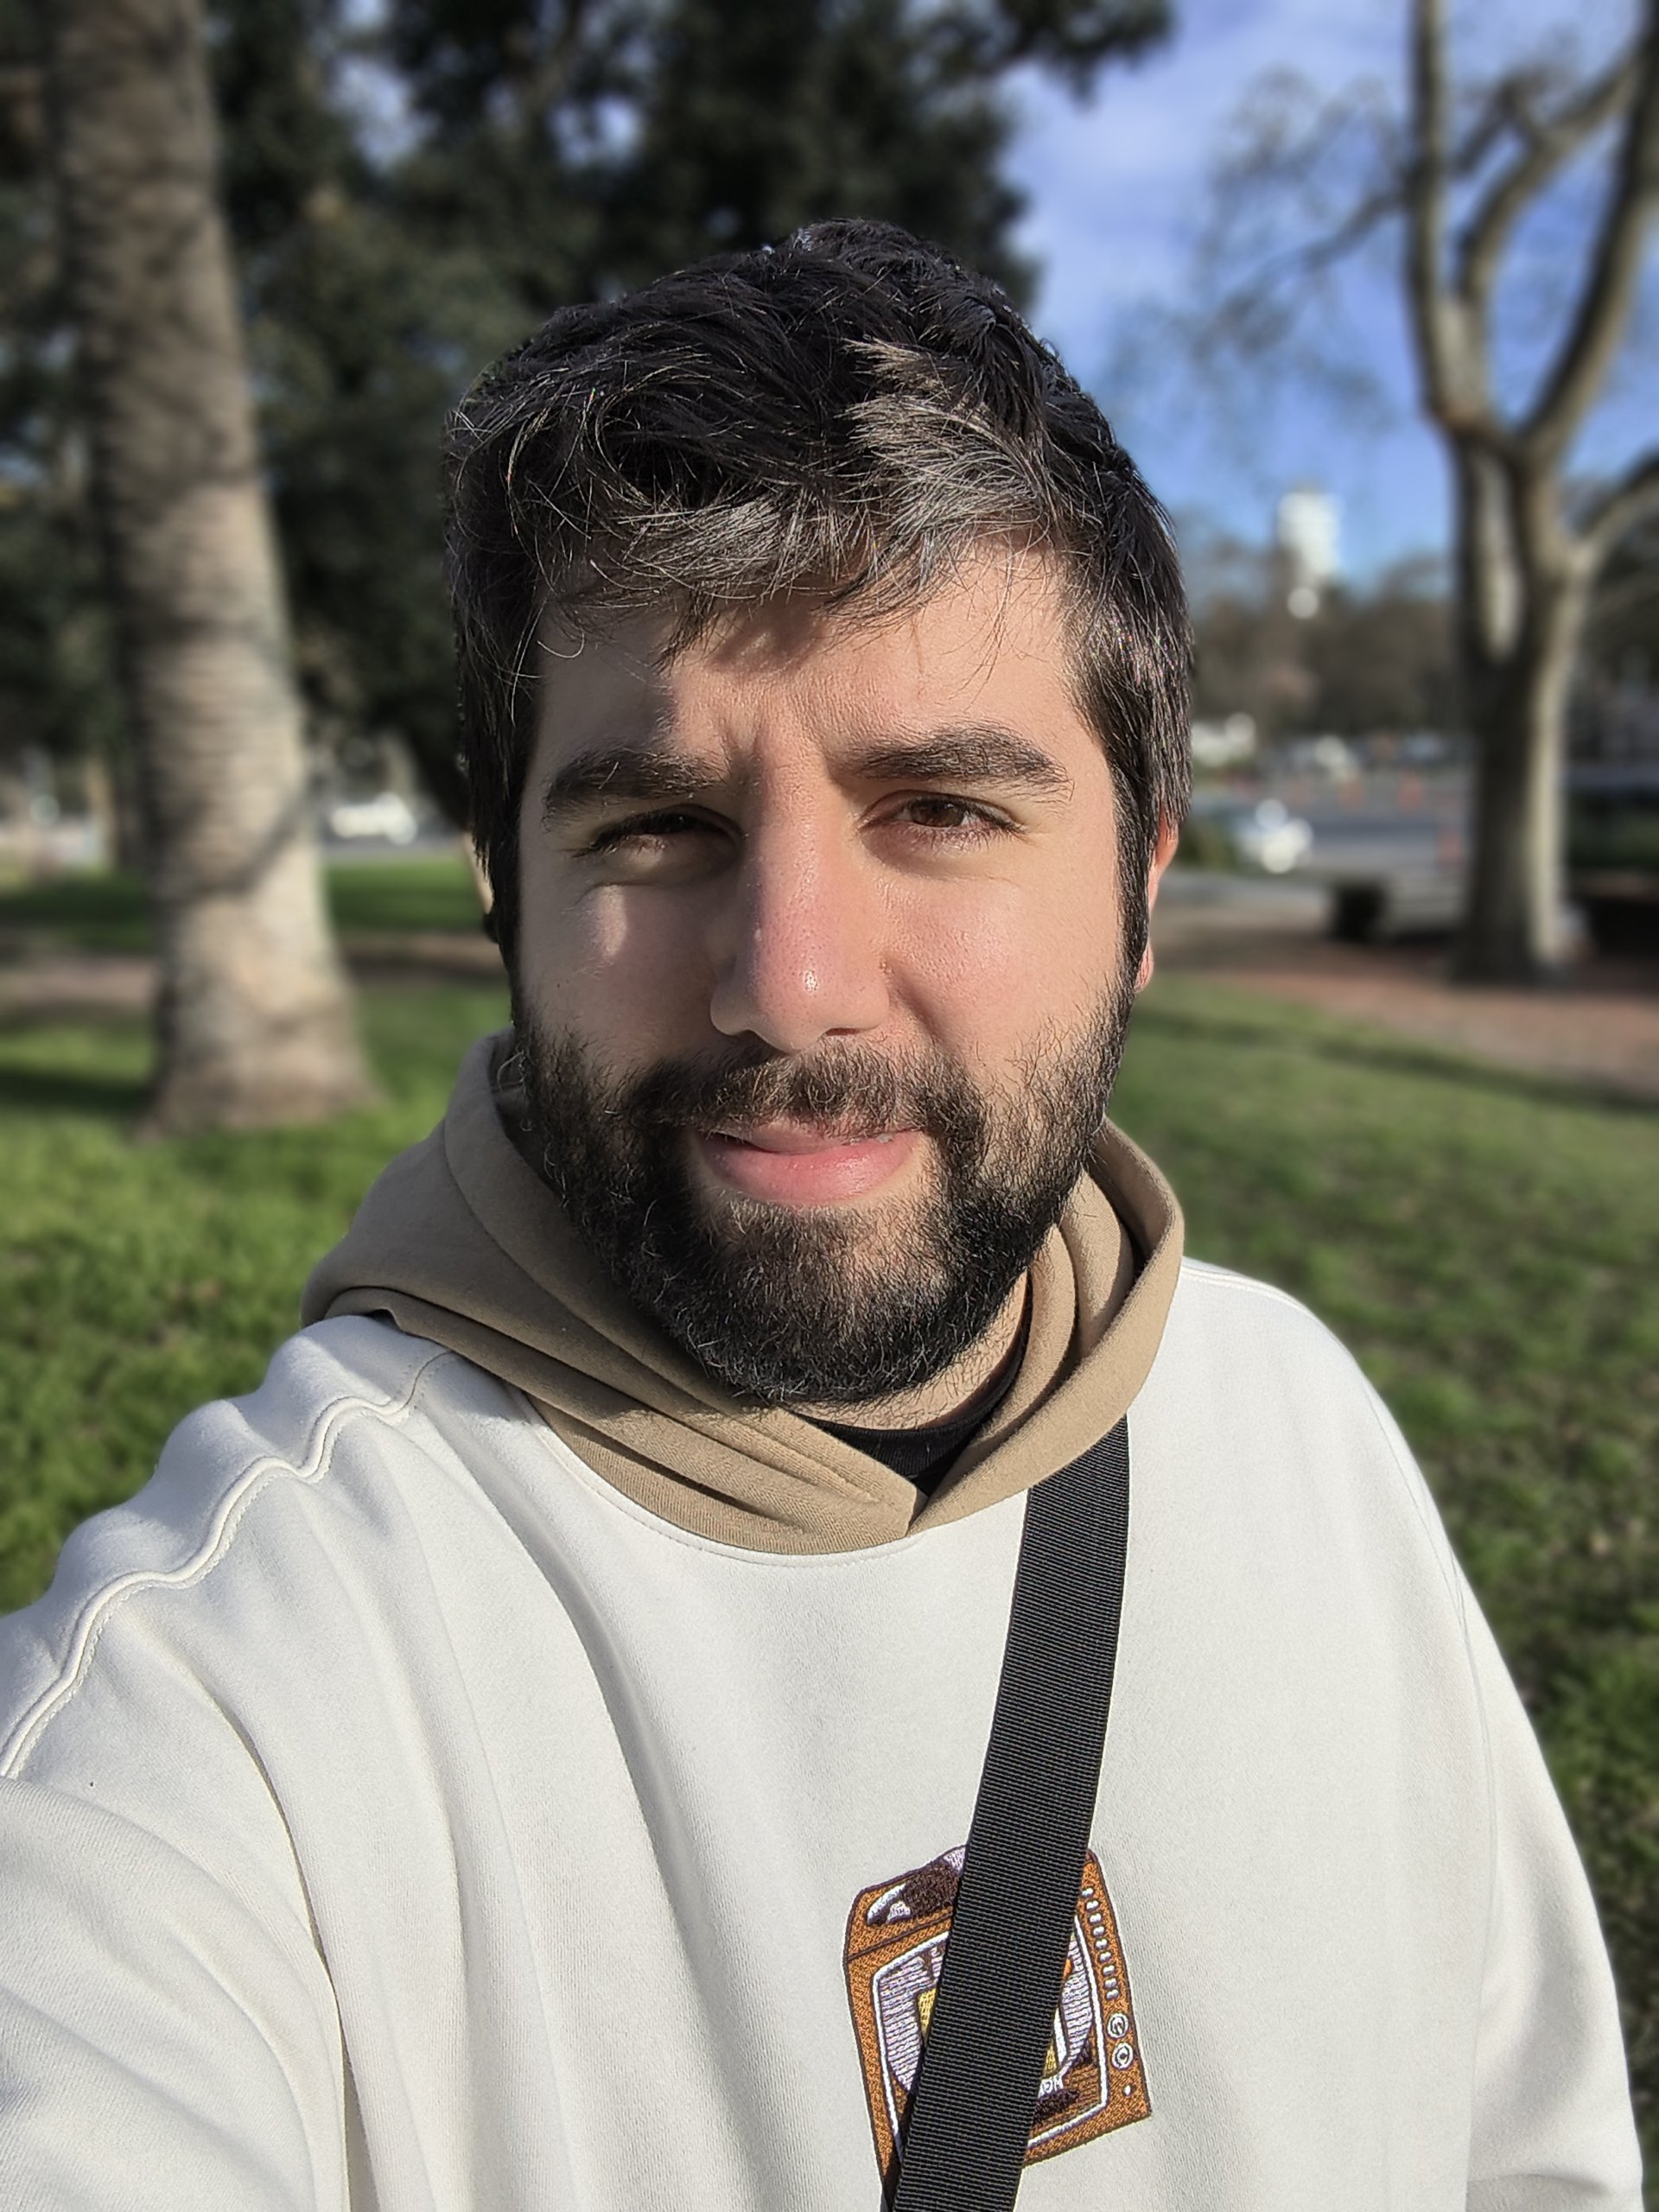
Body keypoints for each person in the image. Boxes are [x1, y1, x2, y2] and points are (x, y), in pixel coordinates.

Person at [0, 221, 1640, 2211]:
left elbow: (1533, 2147)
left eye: (941, 808)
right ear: (507, 893)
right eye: (657, 826)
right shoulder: (217, 1703)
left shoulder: (1301, 1419)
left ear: (1142, 889)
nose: (787, 983)